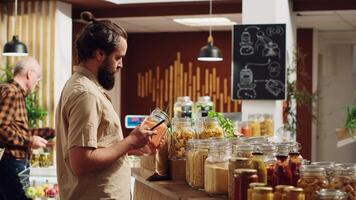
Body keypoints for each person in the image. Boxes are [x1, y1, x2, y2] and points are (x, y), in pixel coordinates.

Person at [55, 11, 161, 200]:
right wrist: (129, 141)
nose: (121, 64)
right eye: (118, 57)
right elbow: (82, 162)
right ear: (100, 54)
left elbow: (99, 147)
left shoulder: (84, 87)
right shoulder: (85, 93)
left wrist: (134, 146)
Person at [0, 57, 55, 200]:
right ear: (29, 74)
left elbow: (16, 130)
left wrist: (50, 132)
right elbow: (1, 128)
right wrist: (29, 141)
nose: (37, 83)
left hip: (12, 165)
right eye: (37, 78)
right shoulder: (13, 93)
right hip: (11, 164)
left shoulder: (12, 92)